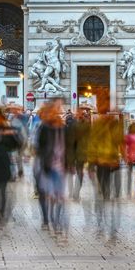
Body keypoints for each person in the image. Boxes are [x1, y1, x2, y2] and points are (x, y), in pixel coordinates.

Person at [35, 98, 68, 235]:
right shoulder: (43, 127)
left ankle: (56, 221)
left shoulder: (63, 127)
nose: (58, 111)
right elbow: (39, 147)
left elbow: (69, 145)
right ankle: (47, 219)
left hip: (60, 165)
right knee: (48, 194)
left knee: (58, 195)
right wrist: (44, 160)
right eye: (56, 108)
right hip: (47, 164)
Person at [89, 110, 125, 238]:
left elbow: (120, 142)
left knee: (111, 194)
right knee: (103, 194)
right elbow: (92, 144)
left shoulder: (115, 125)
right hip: (103, 163)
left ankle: (108, 221)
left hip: (112, 163)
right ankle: (102, 220)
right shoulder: (99, 126)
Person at [65, 107, 92, 201]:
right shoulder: (85, 125)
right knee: (76, 172)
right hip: (77, 152)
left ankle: (73, 193)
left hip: (77, 152)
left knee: (74, 172)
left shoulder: (74, 125)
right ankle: (74, 193)